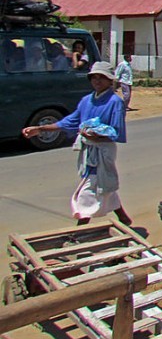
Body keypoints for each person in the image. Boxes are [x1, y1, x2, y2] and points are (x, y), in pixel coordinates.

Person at [21, 62, 132, 226]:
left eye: (102, 77)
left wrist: (97, 136)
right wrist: (41, 128)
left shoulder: (115, 102)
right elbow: (69, 122)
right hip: (88, 149)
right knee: (103, 183)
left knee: (88, 190)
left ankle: (81, 228)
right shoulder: (86, 101)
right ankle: (122, 216)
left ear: (110, 81)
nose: (97, 81)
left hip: (102, 150)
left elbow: (116, 131)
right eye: (94, 77)